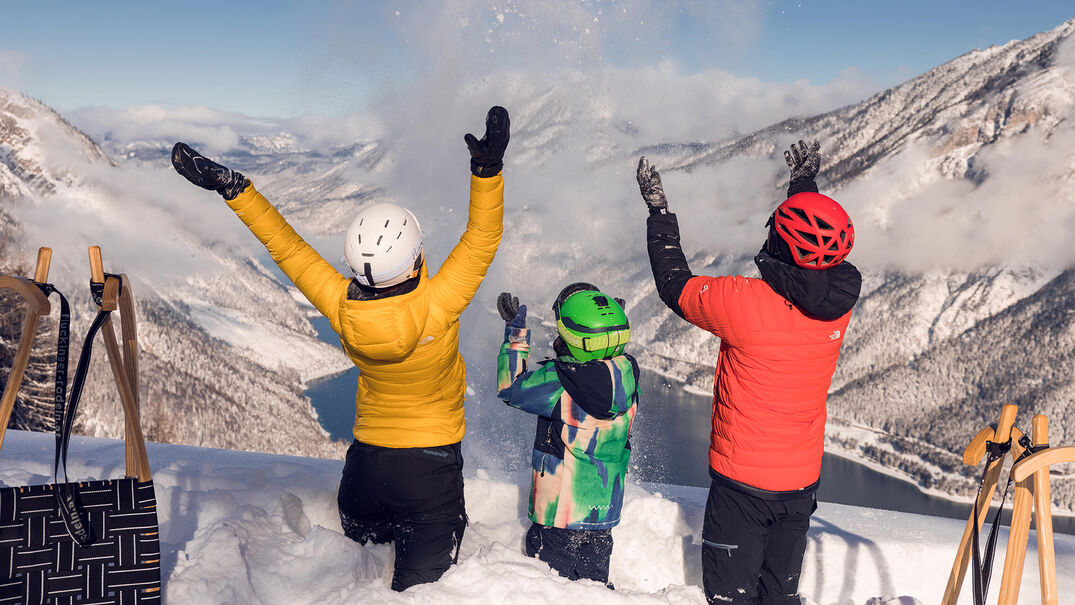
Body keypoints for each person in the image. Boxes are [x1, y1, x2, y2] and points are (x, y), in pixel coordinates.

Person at [170, 106, 509, 591]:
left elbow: (286, 247)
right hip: (429, 473)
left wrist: (234, 188)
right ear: (415, 258)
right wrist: (487, 171)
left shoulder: (341, 306)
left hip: (365, 474)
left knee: (359, 573)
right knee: (424, 593)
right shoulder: (438, 304)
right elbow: (483, 237)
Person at [636, 140, 861, 604]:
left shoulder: (744, 303)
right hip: (800, 485)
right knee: (777, 597)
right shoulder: (838, 307)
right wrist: (803, 187)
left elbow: (674, 284)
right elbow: (812, 253)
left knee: (730, 596)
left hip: (743, 487)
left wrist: (659, 213)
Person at [494, 284, 639, 587]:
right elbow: (601, 366)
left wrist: (515, 334)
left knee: (550, 589)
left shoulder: (560, 383)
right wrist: (610, 337)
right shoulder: (627, 374)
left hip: (559, 514)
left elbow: (511, 389)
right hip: (604, 514)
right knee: (592, 589)